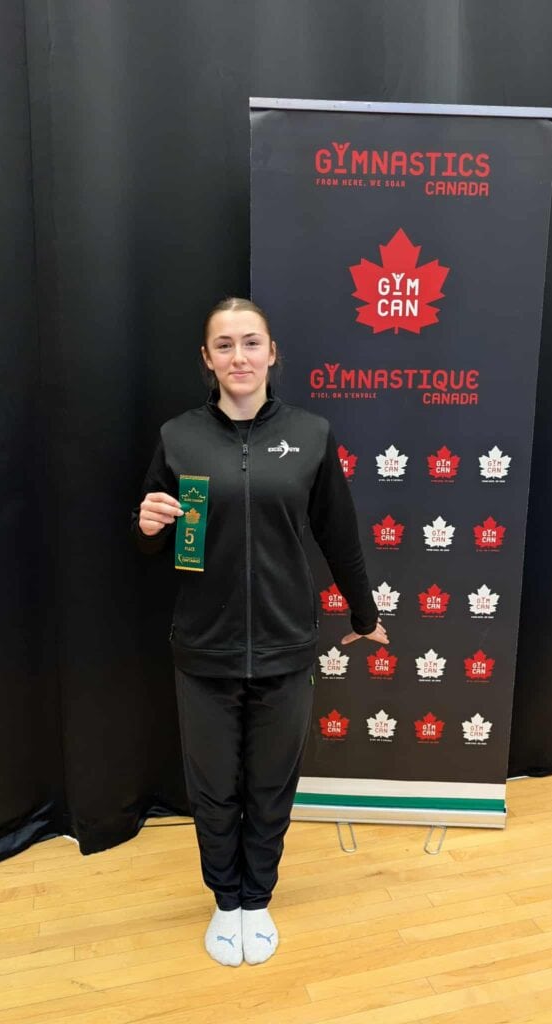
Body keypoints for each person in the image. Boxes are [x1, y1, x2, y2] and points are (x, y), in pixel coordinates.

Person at [132, 297, 388, 967]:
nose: (238, 357)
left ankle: (257, 900)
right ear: (207, 360)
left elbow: (339, 533)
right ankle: (225, 901)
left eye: (251, 343)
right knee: (214, 786)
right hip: (204, 647)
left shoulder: (310, 434)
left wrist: (364, 615)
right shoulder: (177, 437)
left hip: (283, 644)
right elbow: (155, 540)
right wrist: (147, 526)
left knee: (271, 783)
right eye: (224, 345)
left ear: (272, 353)